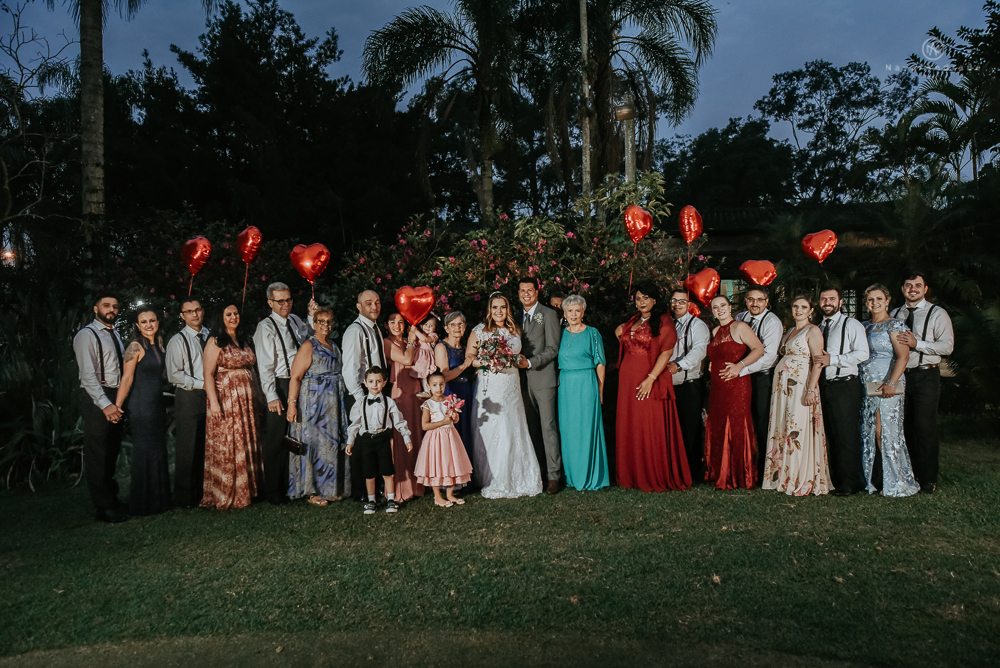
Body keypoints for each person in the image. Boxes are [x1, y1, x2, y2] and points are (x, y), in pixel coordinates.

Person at [614, 283, 690, 492]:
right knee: (631, 423)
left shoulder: (664, 320)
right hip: (627, 379)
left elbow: (666, 353)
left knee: (648, 423)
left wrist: (650, 379)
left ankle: (651, 472)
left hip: (648, 377)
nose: (641, 302)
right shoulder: (634, 320)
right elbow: (622, 336)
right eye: (638, 298)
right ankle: (632, 473)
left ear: (655, 300)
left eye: (646, 298)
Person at [467, 293, 543, 499]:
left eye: (503, 307)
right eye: (495, 308)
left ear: (507, 309)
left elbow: (519, 357)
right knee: (493, 426)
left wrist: (519, 359)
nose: (499, 312)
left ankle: (518, 476)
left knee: (513, 425)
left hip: (511, 383)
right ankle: (492, 476)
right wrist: (486, 360)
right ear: (489, 310)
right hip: (490, 384)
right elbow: (469, 358)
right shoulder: (479, 331)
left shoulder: (514, 329)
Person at [890, 272, 954, 494]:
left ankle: (928, 478)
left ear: (925, 289)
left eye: (918, 285)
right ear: (902, 289)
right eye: (908, 285)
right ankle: (909, 473)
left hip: (926, 374)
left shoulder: (938, 313)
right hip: (901, 374)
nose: (913, 289)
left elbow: (947, 346)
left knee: (924, 426)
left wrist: (919, 343)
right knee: (903, 425)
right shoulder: (895, 313)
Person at [761, 295, 831, 496]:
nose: (798, 310)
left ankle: (799, 477)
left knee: (796, 426)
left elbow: (818, 361)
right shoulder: (790, 331)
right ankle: (780, 476)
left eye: (803, 307)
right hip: (782, 387)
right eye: (795, 306)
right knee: (783, 426)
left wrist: (810, 389)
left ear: (811, 310)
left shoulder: (813, 330)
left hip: (801, 386)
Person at [253, 282, 314, 505]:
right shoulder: (265, 328)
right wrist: (271, 395)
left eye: (288, 299)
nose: (286, 304)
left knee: (297, 434)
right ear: (270, 303)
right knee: (276, 439)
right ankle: (272, 490)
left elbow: (308, 336)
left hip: (299, 381)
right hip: (280, 383)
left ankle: (294, 484)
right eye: (280, 301)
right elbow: (265, 366)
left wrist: (311, 315)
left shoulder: (296, 320)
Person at [286, 306, 350, 506]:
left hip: (333, 406)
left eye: (329, 321)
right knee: (313, 446)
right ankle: (312, 491)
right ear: (314, 324)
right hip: (314, 405)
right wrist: (291, 404)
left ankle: (332, 488)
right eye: (321, 321)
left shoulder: (335, 347)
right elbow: (295, 377)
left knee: (331, 445)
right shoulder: (309, 346)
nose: (325, 325)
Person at [202, 304, 263, 510]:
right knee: (231, 442)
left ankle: (249, 490)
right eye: (228, 314)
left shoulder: (244, 340)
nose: (233, 317)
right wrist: (215, 404)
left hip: (246, 401)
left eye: (236, 313)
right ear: (221, 317)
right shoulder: (216, 341)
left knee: (245, 440)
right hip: (226, 399)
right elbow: (208, 375)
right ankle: (230, 491)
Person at [73, 292, 128, 523]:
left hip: (116, 394)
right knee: (98, 452)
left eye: (115, 306)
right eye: (106, 305)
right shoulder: (87, 335)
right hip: (98, 396)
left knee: (112, 449)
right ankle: (103, 508)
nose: (111, 310)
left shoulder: (115, 334)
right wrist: (106, 405)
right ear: (96, 309)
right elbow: (87, 376)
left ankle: (111, 498)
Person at [861, 284, 919, 497]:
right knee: (869, 432)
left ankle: (896, 480)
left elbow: (903, 357)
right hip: (866, 387)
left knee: (884, 431)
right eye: (870, 299)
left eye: (878, 299)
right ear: (866, 303)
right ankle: (873, 479)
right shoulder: (864, 326)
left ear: (887, 301)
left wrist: (892, 383)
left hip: (888, 386)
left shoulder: (895, 325)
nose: (874, 303)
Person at [113, 309, 170, 516]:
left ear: (157, 322)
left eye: (152, 320)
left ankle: (160, 500)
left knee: (158, 449)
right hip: (140, 405)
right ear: (137, 325)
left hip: (156, 403)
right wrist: (118, 406)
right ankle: (142, 503)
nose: (148, 324)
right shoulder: (135, 346)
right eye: (143, 322)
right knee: (145, 451)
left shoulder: (160, 342)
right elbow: (127, 378)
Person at [814, 286, 870, 497]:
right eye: (823, 299)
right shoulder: (818, 327)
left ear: (840, 303)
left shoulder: (851, 324)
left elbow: (863, 353)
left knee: (847, 434)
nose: (827, 302)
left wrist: (833, 360)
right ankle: (836, 479)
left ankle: (851, 481)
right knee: (832, 434)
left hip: (845, 384)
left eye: (831, 299)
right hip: (825, 386)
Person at [704, 295, 765, 490]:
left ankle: (740, 474)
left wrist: (740, 365)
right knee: (719, 424)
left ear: (730, 307)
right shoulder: (714, 330)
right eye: (715, 307)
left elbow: (759, 349)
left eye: (723, 305)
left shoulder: (740, 327)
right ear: (712, 311)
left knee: (736, 425)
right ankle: (719, 471)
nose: (719, 309)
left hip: (736, 385)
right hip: (717, 388)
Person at [557, 295, 609, 491]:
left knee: (586, 429)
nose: (573, 314)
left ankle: (589, 475)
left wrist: (600, 390)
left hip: (586, 384)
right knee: (569, 431)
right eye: (570, 311)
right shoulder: (560, 334)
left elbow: (600, 363)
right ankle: (571, 475)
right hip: (566, 387)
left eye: (577, 310)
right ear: (564, 313)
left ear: (583, 312)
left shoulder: (592, 333)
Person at [345, 366, 413, 514]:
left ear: (384, 383)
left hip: (383, 440)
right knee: (369, 473)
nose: (374, 385)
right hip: (366, 441)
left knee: (387, 471)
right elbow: (354, 425)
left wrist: (406, 437)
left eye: (378, 381)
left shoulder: (389, 402)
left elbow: (399, 422)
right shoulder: (360, 403)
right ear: (365, 383)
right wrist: (350, 442)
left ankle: (390, 499)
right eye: (371, 381)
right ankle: (371, 501)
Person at [516, 278, 563, 494]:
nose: (526, 294)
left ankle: (554, 476)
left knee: (548, 428)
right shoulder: (515, 316)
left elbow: (553, 348)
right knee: (530, 429)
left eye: (530, 290)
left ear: (537, 291)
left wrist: (531, 362)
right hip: (521, 382)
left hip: (543, 379)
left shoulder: (548, 314)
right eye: (522, 290)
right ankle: (538, 473)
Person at [734, 286, 783, 485]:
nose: (755, 303)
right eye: (751, 299)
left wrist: (741, 370)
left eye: (759, 300)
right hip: (741, 376)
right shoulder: (739, 318)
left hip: (762, 377)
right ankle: (744, 465)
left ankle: (763, 470)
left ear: (767, 302)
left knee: (762, 422)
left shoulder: (773, 322)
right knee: (743, 421)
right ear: (746, 300)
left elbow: (769, 356)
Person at [342, 289, 388, 501]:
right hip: (360, 392)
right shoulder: (355, 330)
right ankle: (361, 491)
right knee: (361, 444)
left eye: (377, 302)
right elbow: (350, 368)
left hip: (375, 390)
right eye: (368, 303)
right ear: (359, 307)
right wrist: (360, 398)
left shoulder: (375, 329)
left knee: (376, 439)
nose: (374, 306)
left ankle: (375, 486)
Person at [165, 297, 209, 508]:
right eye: (189, 311)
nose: (195, 314)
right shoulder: (177, 340)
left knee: (206, 444)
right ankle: (184, 496)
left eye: (197, 310)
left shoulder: (210, 335)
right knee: (187, 446)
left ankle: (203, 490)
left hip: (210, 396)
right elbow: (174, 376)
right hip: (189, 396)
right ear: (182, 316)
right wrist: (203, 384)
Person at [666, 290, 710, 483]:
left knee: (690, 429)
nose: (677, 304)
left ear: (688, 303)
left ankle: (692, 473)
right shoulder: (665, 323)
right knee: (670, 430)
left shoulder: (697, 325)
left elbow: (699, 350)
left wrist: (679, 365)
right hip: (667, 384)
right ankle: (673, 470)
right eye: (674, 301)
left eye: (681, 301)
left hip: (688, 384)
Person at [414, 371, 474, 507]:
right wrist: (442, 422)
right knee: (436, 465)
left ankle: (450, 494)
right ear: (428, 386)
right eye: (434, 385)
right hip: (435, 438)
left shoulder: (450, 400)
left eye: (441, 384)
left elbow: (456, 419)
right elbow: (425, 425)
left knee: (450, 462)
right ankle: (437, 496)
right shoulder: (428, 404)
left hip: (450, 437)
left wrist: (454, 417)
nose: (438, 388)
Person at [384, 312, 423, 502]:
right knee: (401, 437)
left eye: (401, 322)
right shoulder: (388, 343)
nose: (397, 325)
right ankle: (402, 488)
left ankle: (418, 485)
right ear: (386, 325)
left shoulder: (410, 341)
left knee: (417, 434)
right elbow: (406, 360)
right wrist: (412, 342)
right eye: (393, 322)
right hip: (400, 393)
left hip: (417, 392)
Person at [434, 311, 477, 467]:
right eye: (453, 325)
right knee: (453, 434)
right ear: (446, 328)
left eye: (460, 324)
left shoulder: (466, 348)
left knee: (466, 431)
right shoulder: (442, 346)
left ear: (465, 327)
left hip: (466, 390)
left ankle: (465, 476)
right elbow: (444, 375)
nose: (457, 328)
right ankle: (451, 477)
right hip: (451, 393)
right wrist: (466, 364)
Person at [409, 313, 440, 397]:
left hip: (426, 357)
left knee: (425, 375)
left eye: (431, 325)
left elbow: (425, 339)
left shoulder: (433, 335)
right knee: (421, 376)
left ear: (435, 327)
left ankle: (428, 391)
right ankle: (424, 390)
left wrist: (415, 331)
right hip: (419, 357)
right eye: (425, 324)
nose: (427, 327)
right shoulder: (420, 334)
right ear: (421, 325)